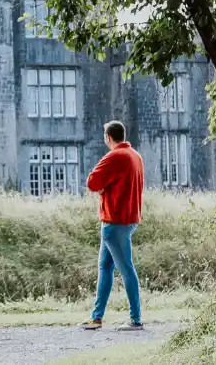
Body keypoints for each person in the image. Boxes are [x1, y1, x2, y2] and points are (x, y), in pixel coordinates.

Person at [80, 120, 146, 331]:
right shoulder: (135, 156)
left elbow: (92, 182)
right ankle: (96, 317)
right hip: (129, 219)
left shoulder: (115, 156)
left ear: (108, 137)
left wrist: (103, 188)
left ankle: (136, 320)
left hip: (115, 221)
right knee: (105, 267)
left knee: (126, 269)